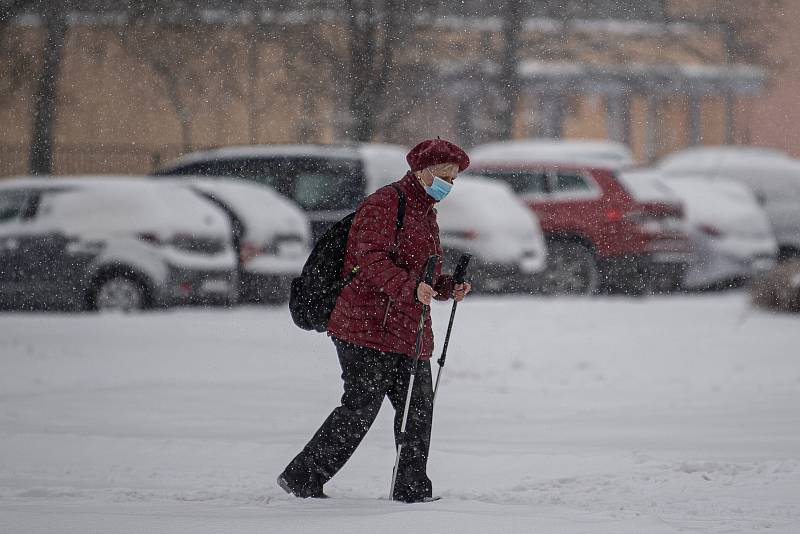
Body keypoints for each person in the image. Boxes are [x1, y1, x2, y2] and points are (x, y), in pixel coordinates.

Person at [277, 138, 472, 503]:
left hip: (407, 328)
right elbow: (370, 260)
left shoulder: (426, 212)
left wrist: (446, 287)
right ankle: (303, 477)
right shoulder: (386, 203)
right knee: (360, 408)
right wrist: (411, 288)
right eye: (445, 176)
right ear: (421, 171)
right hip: (362, 326)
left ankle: (411, 490)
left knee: (418, 410)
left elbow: (421, 273)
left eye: (454, 179)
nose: (449, 185)